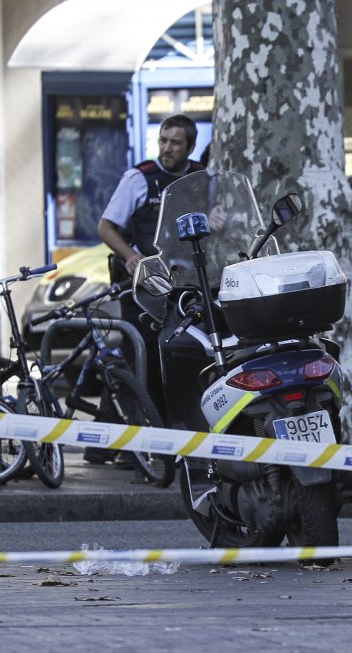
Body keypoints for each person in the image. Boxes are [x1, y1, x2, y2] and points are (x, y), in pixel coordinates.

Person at [89, 114, 204, 465]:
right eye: (163, 140)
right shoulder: (139, 178)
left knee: (185, 357)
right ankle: (132, 442)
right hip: (145, 287)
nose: (167, 148)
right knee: (142, 357)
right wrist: (132, 258)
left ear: (190, 147)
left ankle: (120, 441)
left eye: (175, 142)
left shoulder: (201, 177)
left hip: (188, 285)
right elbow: (106, 227)